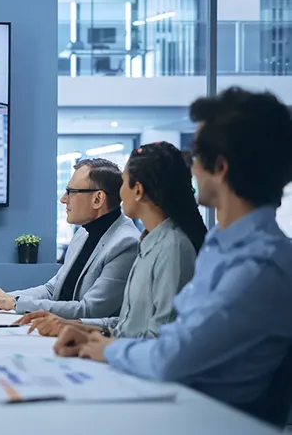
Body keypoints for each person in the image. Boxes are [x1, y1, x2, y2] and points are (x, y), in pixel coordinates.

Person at [53, 88, 292, 424]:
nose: (191, 170)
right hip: (173, 403)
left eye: (196, 157)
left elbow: (171, 357)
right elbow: (171, 336)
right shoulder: (222, 247)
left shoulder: (258, 267)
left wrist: (107, 347)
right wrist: (96, 336)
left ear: (220, 168)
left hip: (200, 418)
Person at [16, 142, 206, 337]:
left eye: (123, 183)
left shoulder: (169, 247)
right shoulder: (149, 241)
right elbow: (128, 323)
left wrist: (103, 345)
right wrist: (73, 325)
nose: (119, 193)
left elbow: (159, 337)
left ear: (138, 190)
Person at [0, 159, 140, 318]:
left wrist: (14, 303)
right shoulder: (83, 233)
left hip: (89, 338)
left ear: (98, 198)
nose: (63, 199)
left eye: (71, 192)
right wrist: (3, 297)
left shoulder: (126, 243)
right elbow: (52, 290)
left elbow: (89, 310)